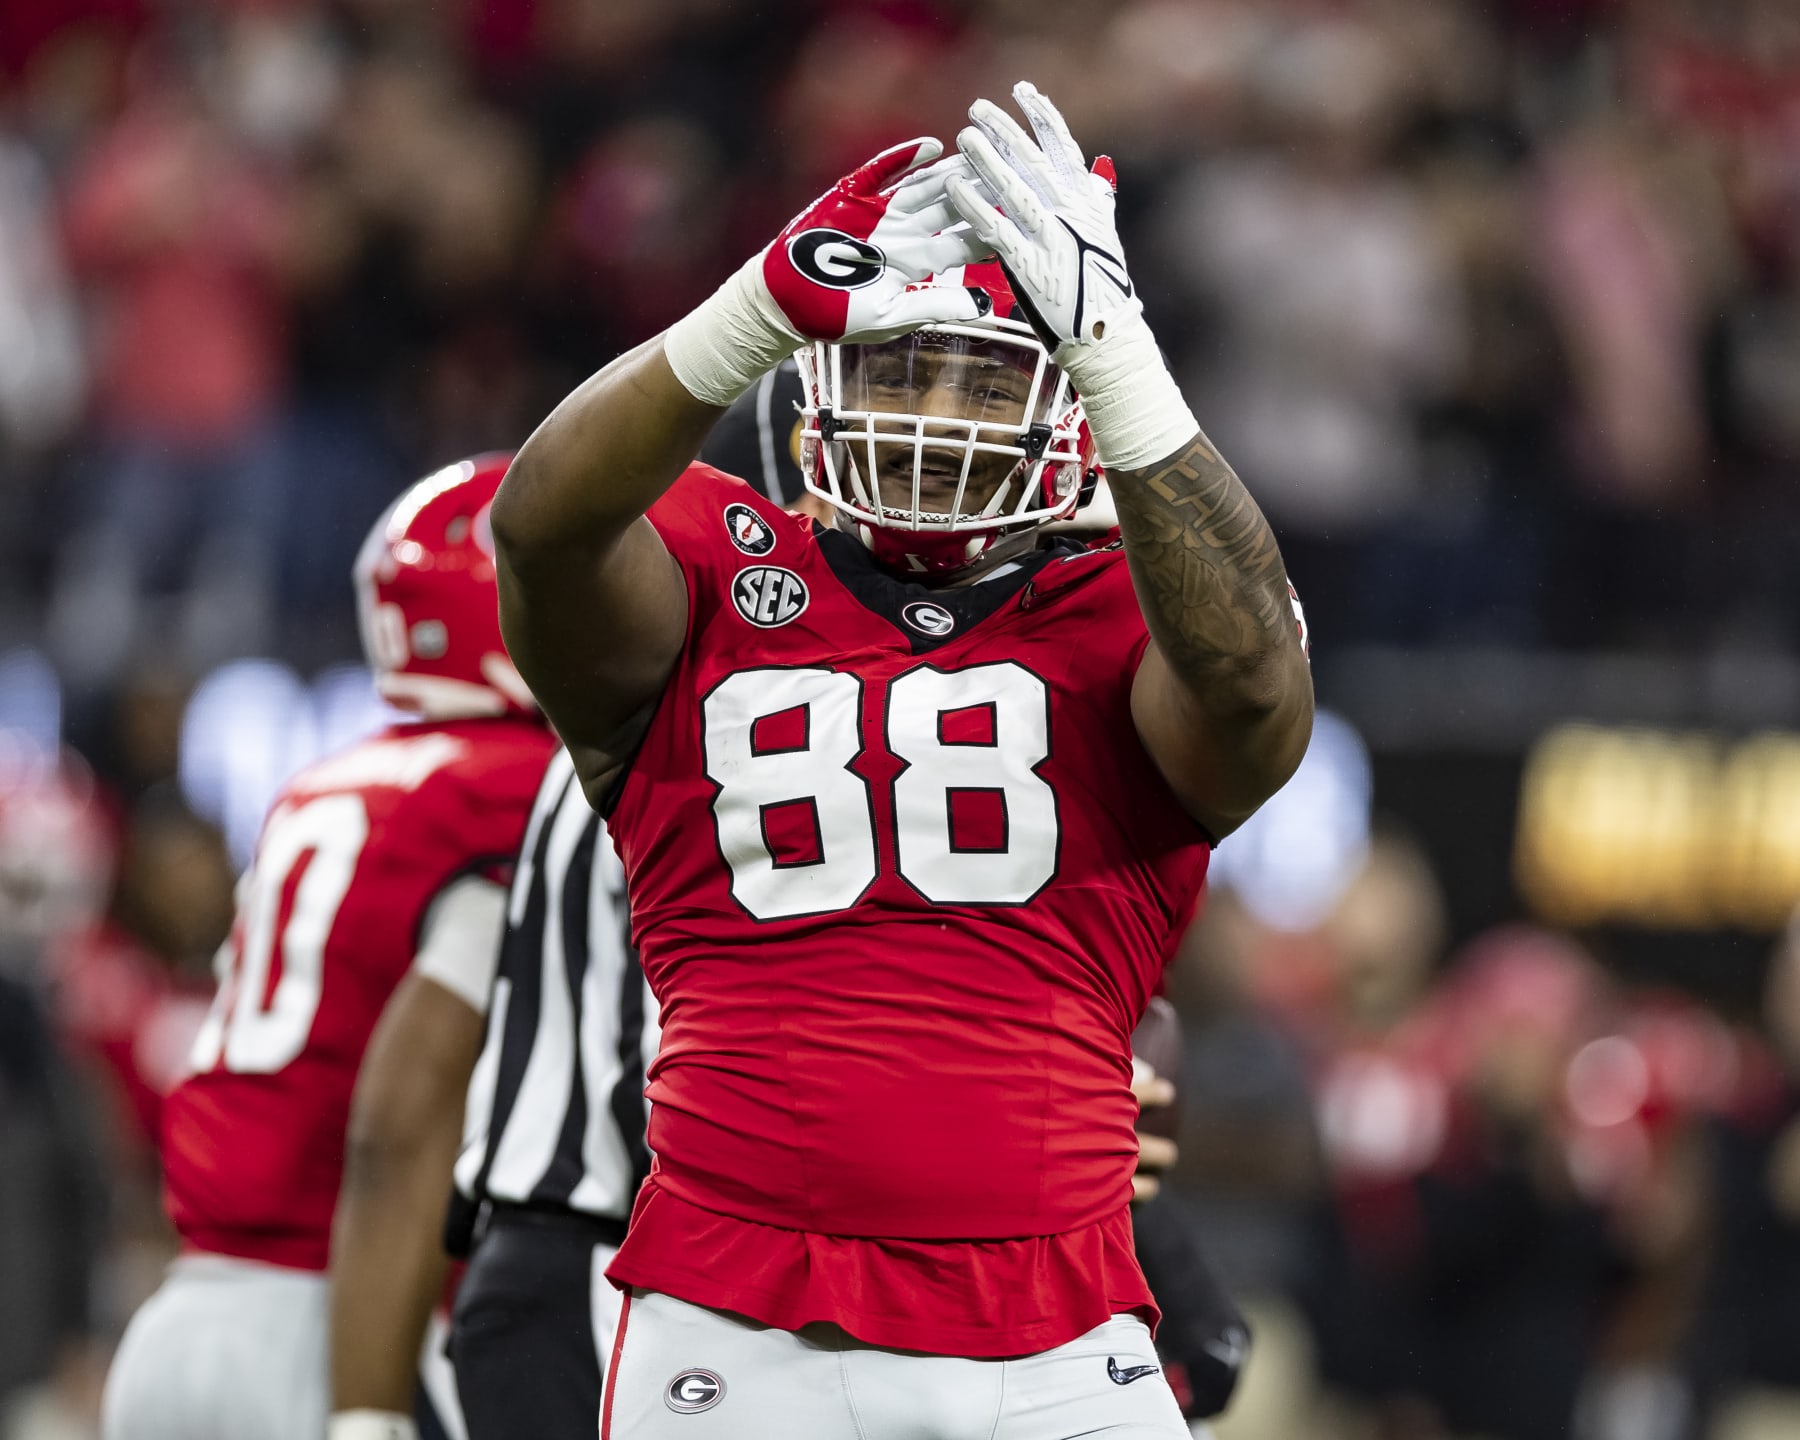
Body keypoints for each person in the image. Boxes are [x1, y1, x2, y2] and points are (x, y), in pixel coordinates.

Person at [492, 81, 1312, 1437]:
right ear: (816, 385)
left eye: (976, 375)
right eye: (897, 367)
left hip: (1061, 1331)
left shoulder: (1124, 614)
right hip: (737, 1320)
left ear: (1065, 406)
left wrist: (1116, 345)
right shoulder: (711, 565)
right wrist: (747, 310)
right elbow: (542, 529)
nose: (930, 411)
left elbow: (1254, 683)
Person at [100, 456, 558, 1440]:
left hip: (182, 1319)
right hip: (335, 1319)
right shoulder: (510, 789)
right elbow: (408, 1106)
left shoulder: (327, 783)